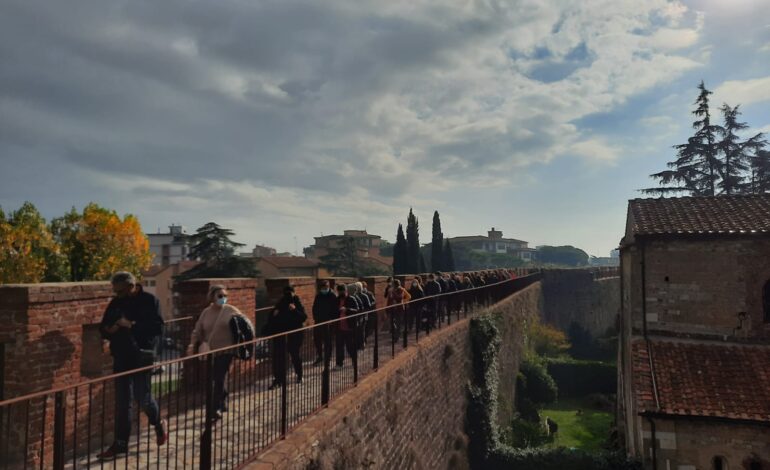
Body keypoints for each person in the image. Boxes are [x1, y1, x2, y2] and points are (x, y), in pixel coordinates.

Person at [97, 272, 167, 460]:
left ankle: (158, 422)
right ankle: (120, 444)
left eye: (120, 291)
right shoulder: (116, 303)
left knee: (142, 397)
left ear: (131, 286)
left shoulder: (150, 300)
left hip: (141, 356)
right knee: (122, 403)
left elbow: (158, 328)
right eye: (115, 291)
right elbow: (103, 326)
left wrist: (131, 325)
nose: (116, 294)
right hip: (121, 356)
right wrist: (109, 330)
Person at [188, 285, 241, 420]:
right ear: (212, 297)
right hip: (210, 351)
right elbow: (198, 330)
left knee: (218, 378)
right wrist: (192, 344)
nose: (223, 298)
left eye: (225, 296)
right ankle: (222, 399)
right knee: (216, 378)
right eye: (220, 296)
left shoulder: (231, 310)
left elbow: (245, 325)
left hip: (226, 350)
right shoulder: (206, 312)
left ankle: (215, 408)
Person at [265, 286, 307, 388]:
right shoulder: (281, 303)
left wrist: (294, 310)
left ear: (294, 293)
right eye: (286, 293)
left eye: (290, 293)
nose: (288, 295)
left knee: (295, 355)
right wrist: (273, 314)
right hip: (281, 334)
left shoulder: (297, 302)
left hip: (295, 334)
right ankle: (278, 380)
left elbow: (303, 317)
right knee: (279, 357)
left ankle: (299, 375)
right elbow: (272, 317)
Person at [311, 280, 337, 366]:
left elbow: (335, 309)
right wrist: (316, 318)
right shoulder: (318, 296)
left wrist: (332, 320)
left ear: (328, 286)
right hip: (318, 321)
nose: (324, 289)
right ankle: (320, 356)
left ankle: (327, 358)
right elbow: (314, 308)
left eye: (326, 287)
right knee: (317, 339)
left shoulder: (332, 295)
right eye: (323, 288)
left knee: (327, 341)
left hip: (329, 322)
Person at [334, 284, 359, 369]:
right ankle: (339, 363)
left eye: (343, 291)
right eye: (339, 292)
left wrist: (347, 309)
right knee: (339, 346)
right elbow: (333, 311)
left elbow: (358, 310)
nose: (341, 293)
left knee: (350, 346)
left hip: (349, 327)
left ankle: (354, 360)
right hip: (339, 327)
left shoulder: (352, 299)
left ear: (346, 291)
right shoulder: (336, 300)